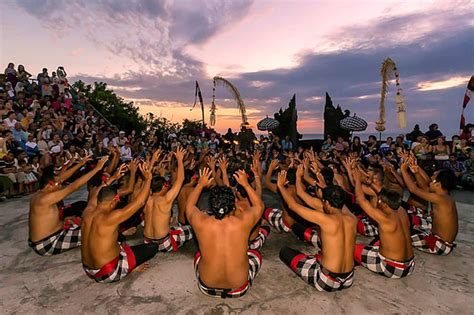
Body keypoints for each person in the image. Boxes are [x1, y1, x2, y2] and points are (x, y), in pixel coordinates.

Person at [186, 168, 264, 298]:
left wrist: (200, 184)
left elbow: (190, 205)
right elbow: (259, 206)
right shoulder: (243, 222)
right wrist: (245, 184)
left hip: (206, 287)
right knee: (255, 254)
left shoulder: (200, 222)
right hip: (239, 288)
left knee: (199, 254)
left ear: (211, 206)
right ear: (234, 205)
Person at [277, 171, 357, 292]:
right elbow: (339, 201)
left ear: (327, 203)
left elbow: (292, 205)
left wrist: (281, 186)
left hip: (326, 281)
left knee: (285, 252)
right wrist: (325, 188)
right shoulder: (353, 219)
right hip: (349, 278)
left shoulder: (325, 219)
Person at [81, 161, 159, 283]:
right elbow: (140, 202)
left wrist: (112, 178)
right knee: (152, 247)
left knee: (118, 237)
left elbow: (95, 195)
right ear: (112, 202)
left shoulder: (88, 210)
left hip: (88, 270)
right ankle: (128, 267)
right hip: (108, 273)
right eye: (116, 202)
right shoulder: (111, 217)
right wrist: (148, 179)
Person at [28, 156, 107, 256]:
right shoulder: (44, 199)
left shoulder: (41, 193)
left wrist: (81, 163)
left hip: (48, 237)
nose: (61, 185)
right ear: (49, 185)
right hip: (47, 244)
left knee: (83, 222)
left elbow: (62, 177)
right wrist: (97, 169)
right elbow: (74, 186)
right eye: (59, 184)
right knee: (96, 229)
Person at [353, 169, 415, 278]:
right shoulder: (401, 210)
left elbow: (361, 199)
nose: (378, 202)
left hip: (393, 268)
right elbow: (383, 192)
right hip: (410, 265)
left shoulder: (385, 218)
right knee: (374, 245)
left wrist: (357, 179)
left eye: (380, 200)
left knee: (351, 248)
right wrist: (370, 182)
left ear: (385, 205)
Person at [400, 154, 458, 255]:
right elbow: (426, 184)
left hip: (439, 245)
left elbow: (414, 189)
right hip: (438, 238)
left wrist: (403, 170)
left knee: (399, 230)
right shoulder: (443, 196)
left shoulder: (440, 198)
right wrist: (416, 169)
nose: (430, 179)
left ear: (438, 184)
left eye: (433, 177)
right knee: (405, 220)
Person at [142, 148, 193, 251]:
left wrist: (152, 161)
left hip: (146, 241)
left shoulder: (144, 198)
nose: (167, 186)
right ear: (163, 187)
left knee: (171, 225)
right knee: (193, 228)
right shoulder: (166, 199)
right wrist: (179, 159)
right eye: (166, 184)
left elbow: (147, 178)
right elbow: (180, 179)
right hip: (163, 243)